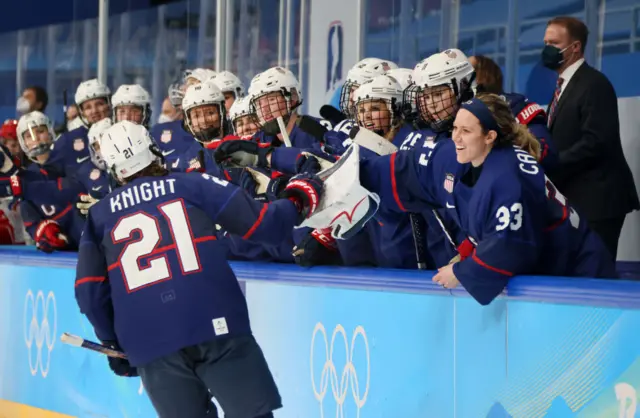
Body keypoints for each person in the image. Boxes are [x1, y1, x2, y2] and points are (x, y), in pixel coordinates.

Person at [75, 120, 324, 418]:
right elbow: (262, 225)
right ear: (154, 151)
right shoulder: (192, 184)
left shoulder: (100, 215)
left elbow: (89, 292)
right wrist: (297, 200)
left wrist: (111, 340)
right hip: (216, 325)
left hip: (150, 341)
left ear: (114, 170)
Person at [358, 93, 617, 305]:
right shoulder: (480, 160)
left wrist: (460, 273)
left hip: (582, 275)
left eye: (466, 131)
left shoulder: (507, 178)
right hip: (562, 272)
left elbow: (511, 246)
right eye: (455, 128)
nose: (456, 137)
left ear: (490, 136)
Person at [542, 16, 639, 260]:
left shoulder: (594, 83)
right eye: (545, 42)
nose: (547, 49)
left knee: (595, 274)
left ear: (575, 47)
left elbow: (596, 141)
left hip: (598, 202)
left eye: (554, 43)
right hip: (577, 199)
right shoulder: (563, 85)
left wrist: (550, 163)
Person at [469, 55, 558, 172]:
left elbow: (547, 155)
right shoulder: (454, 115)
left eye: (467, 70)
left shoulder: (517, 107)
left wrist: (512, 136)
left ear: (483, 77)